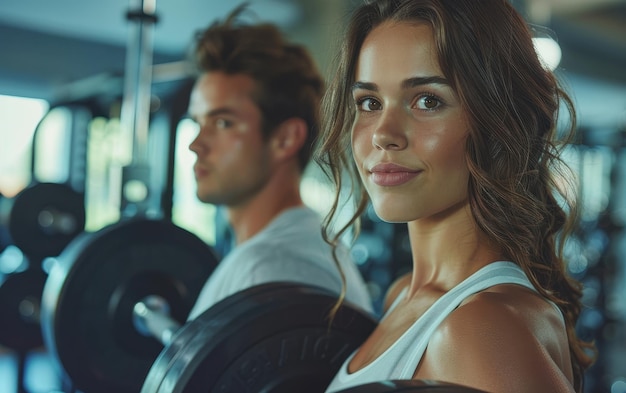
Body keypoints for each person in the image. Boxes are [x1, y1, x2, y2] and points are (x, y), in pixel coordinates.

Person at [315, 0, 596, 392]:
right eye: (370, 102)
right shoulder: (404, 294)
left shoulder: (480, 327)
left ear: (499, 124)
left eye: (427, 100)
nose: (383, 133)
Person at [185, 4, 374, 320]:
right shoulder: (277, 253)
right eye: (197, 122)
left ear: (285, 139)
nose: (195, 144)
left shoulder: (272, 269)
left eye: (223, 123)